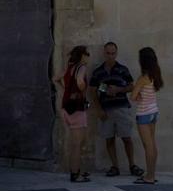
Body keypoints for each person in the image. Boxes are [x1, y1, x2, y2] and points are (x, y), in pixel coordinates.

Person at [89, 42, 144, 177]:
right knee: (109, 139)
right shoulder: (98, 72)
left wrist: (119, 89)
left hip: (121, 108)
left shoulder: (122, 69)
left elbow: (131, 86)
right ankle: (115, 166)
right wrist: (99, 109)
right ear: (104, 53)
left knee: (126, 138)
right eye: (108, 53)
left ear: (116, 53)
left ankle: (132, 165)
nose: (110, 56)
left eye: (113, 53)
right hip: (106, 110)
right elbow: (92, 91)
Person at [54, 45, 91, 183]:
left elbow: (55, 78)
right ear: (82, 55)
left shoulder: (69, 68)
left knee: (74, 143)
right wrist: (81, 89)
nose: (88, 56)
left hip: (66, 108)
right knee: (77, 144)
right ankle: (75, 175)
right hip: (77, 109)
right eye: (87, 54)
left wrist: (64, 90)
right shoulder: (81, 67)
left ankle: (76, 170)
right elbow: (81, 80)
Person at [131, 47, 163, 184]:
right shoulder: (155, 74)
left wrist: (136, 92)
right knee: (152, 144)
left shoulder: (143, 77)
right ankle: (151, 174)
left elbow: (133, 96)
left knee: (148, 145)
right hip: (153, 112)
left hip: (144, 113)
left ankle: (149, 176)